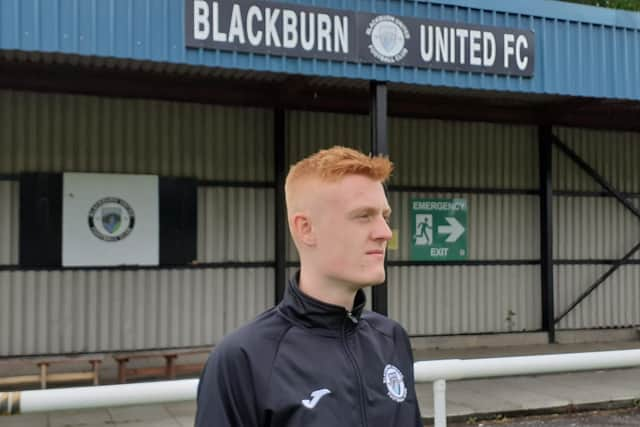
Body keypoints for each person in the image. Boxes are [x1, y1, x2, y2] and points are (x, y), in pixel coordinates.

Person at [195, 146, 422, 426]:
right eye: (364, 216)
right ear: (306, 229)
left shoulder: (391, 338)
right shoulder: (244, 358)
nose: (385, 232)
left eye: (384, 216)